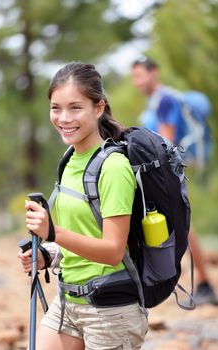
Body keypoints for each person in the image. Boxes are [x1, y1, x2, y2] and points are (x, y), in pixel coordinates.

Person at [18, 62, 148, 350]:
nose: (64, 118)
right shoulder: (69, 160)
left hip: (109, 312)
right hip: (67, 302)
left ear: (98, 108)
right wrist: (47, 255)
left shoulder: (113, 167)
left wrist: (53, 232)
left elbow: (113, 252)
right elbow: (79, 236)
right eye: (56, 108)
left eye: (75, 108)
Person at [131, 56, 218, 306]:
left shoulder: (165, 100)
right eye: (134, 77)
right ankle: (197, 281)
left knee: (185, 227)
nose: (137, 82)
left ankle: (203, 283)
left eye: (140, 76)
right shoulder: (158, 101)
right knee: (182, 225)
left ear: (153, 73)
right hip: (168, 172)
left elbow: (164, 142)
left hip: (168, 173)